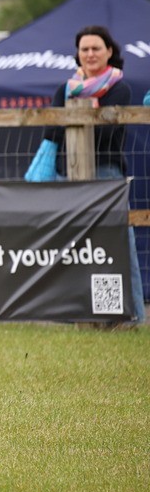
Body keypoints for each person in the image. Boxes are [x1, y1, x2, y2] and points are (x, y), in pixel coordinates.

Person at [42, 25, 144, 322]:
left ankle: (133, 317)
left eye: (96, 48)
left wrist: (75, 124)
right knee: (74, 248)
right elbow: (51, 130)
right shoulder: (64, 88)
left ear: (109, 51)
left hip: (106, 174)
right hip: (66, 175)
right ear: (77, 54)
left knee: (117, 244)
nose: (89, 54)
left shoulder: (119, 88)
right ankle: (79, 315)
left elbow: (106, 135)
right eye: (84, 49)